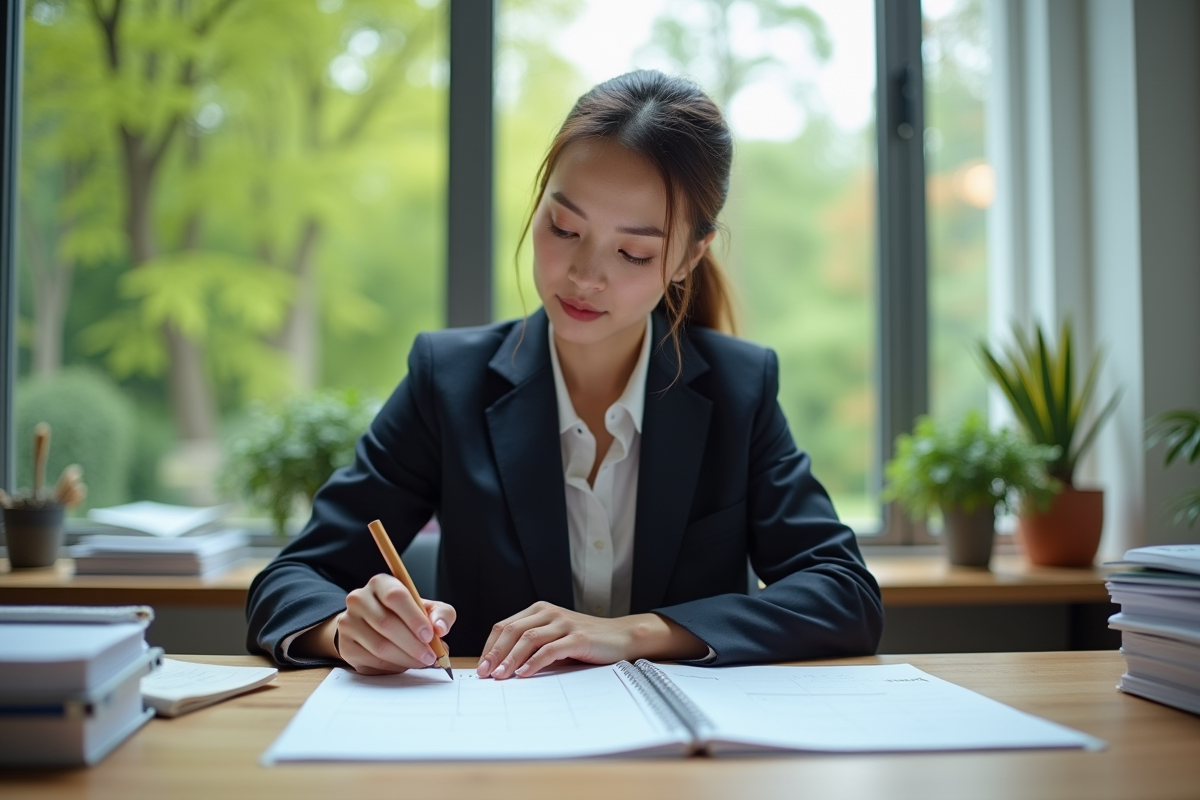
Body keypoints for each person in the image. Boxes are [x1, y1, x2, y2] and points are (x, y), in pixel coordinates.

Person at [246, 70, 883, 678]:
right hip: (495, 752)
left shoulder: (738, 389)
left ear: (690, 256)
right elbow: (290, 581)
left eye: (633, 252)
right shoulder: (449, 379)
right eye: (564, 227)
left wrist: (635, 632)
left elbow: (845, 593)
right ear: (540, 201)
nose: (584, 276)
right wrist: (343, 630)